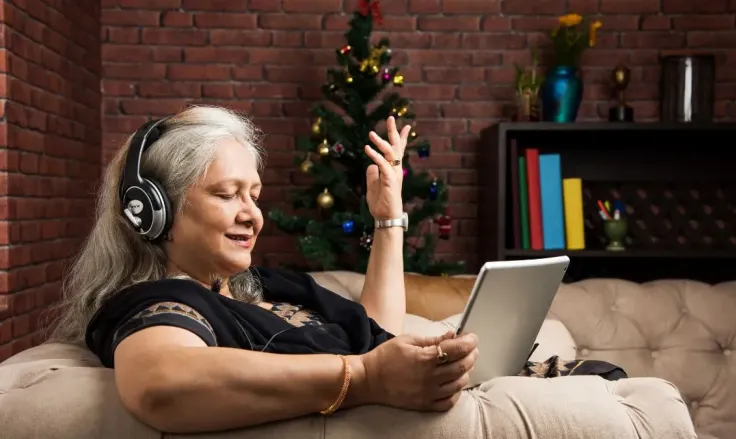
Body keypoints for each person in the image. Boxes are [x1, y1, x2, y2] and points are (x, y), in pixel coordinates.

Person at [45, 105, 479, 434]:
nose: (253, 215)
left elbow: (375, 329)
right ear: (153, 212)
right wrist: (366, 378)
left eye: (254, 195)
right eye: (227, 194)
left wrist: (388, 218)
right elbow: (160, 383)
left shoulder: (259, 285)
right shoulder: (160, 303)